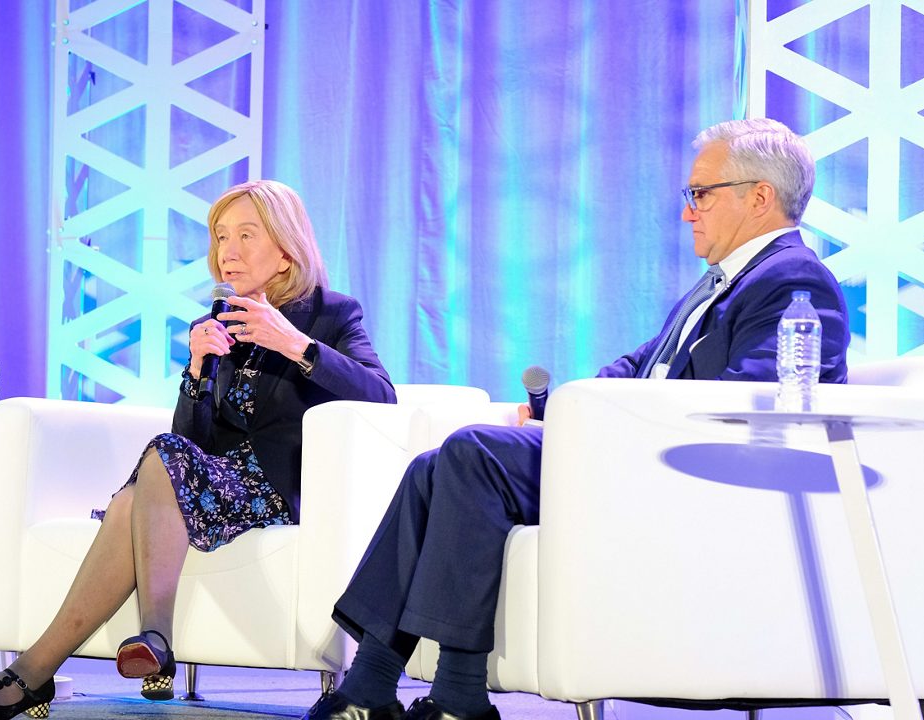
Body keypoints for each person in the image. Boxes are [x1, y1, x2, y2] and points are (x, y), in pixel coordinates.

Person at [305, 118, 850, 720]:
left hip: (681, 473)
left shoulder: (794, 280)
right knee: (435, 468)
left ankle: (458, 695)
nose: (688, 211)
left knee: (473, 452)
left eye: (700, 194)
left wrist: (604, 428)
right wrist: (564, 410)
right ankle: (372, 685)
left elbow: (752, 402)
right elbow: (642, 366)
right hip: (636, 451)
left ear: (760, 197)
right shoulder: (725, 280)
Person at [0, 180, 397, 720]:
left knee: (136, 494)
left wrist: (297, 346)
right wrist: (197, 373)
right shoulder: (214, 322)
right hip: (213, 482)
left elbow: (382, 394)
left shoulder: (330, 314)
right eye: (220, 237)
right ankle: (101, 655)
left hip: (274, 488)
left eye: (245, 236)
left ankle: (74, 660)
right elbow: (191, 443)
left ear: (284, 250)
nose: (226, 252)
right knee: (145, 482)